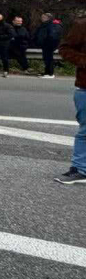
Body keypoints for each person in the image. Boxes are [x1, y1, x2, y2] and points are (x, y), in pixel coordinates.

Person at [55, 17, 86, 184]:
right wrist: (84, 61)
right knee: (85, 132)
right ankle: (80, 169)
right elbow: (65, 49)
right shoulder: (83, 25)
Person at [34, 13, 63, 78]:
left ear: (48, 18)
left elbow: (53, 36)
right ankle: (46, 72)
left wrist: (49, 42)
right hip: (45, 44)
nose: (41, 18)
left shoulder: (53, 25)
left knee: (49, 59)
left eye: (43, 17)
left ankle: (50, 73)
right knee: (46, 59)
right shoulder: (46, 24)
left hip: (49, 45)